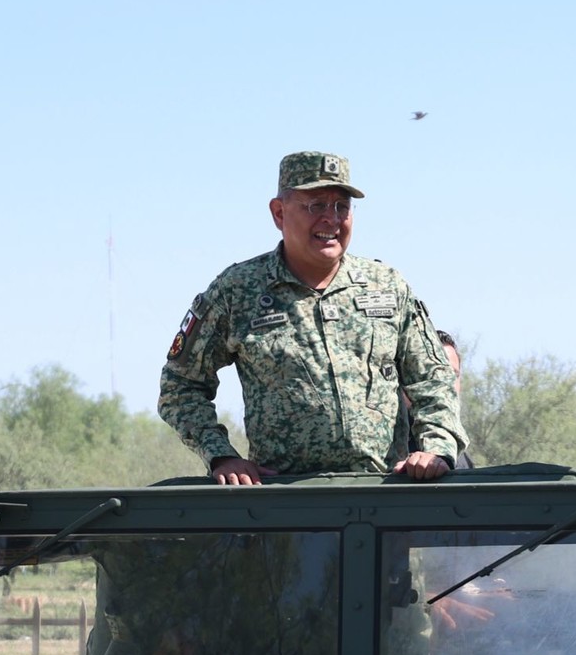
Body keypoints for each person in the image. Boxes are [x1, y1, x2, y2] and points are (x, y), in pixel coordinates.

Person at [159, 151, 466, 484]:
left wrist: (436, 448)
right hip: (288, 505)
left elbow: (433, 378)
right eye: (316, 206)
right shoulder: (238, 290)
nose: (331, 220)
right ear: (279, 213)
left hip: (384, 497)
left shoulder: (386, 285)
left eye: (341, 207)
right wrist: (220, 455)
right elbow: (181, 385)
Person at [434, 330, 475, 469]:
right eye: (437, 374)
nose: (447, 384)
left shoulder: (461, 457)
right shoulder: (391, 448)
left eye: (453, 375)